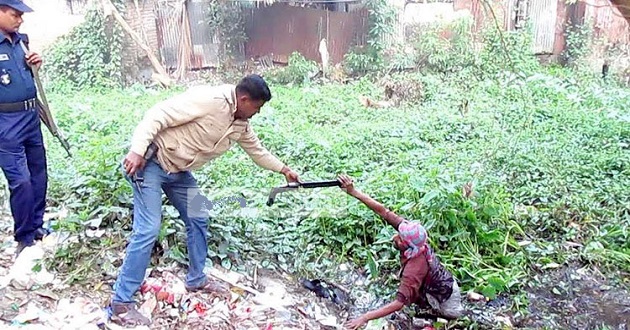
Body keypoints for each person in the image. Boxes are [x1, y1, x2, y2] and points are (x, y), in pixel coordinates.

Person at [109, 74, 302, 326]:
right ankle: (121, 303)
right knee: (148, 228)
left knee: (199, 216)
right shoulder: (209, 100)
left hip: (178, 173)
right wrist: (136, 150)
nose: (258, 112)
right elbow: (158, 114)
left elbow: (257, 150)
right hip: (150, 164)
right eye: (257, 107)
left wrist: (284, 170)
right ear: (244, 99)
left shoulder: (240, 123)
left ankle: (197, 278)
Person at [337, 175, 464, 329]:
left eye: (399, 237)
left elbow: (398, 303)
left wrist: (365, 317)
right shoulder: (414, 237)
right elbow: (383, 211)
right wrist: (353, 192)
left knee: (437, 320)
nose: (394, 236)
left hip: (446, 299)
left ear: (406, 244)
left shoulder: (414, 267)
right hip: (443, 283)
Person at [0, 0, 49, 257]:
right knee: (21, 181)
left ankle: (37, 226)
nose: (20, 19)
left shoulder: (21, 41)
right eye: (14, 14)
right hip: (6, 124)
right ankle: (24, 236)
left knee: (39, 174)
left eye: (21, 15)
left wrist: (35, 64)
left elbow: (23, 75)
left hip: (30, 118)